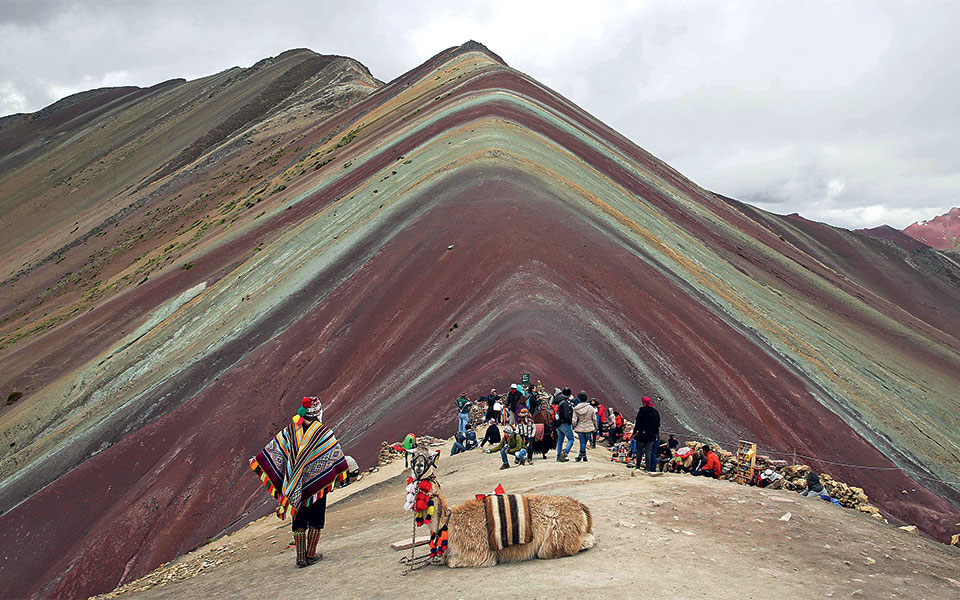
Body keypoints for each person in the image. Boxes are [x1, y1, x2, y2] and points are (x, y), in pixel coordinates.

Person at [250, 396, 348, 567]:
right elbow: (335, 455)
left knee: (299, 518)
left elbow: (275, 449)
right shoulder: (324, 433)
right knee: (317, 517)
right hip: (317, 485)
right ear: (318, 412)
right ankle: (311, 554)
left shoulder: (290, 431)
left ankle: (300, 558)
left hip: (295, 485)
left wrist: (259, 460)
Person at [634, 396, 661, 472]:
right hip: (651, 435)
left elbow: (638, 423)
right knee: (648, 452)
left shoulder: (642, 411)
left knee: (639, 451)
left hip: (641, 435)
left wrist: (634, 432)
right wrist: (656, 434)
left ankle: (638, 467)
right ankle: (648, 468)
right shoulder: (655, 412)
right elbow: (657, 424)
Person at [571, 392, 597, 462]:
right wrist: (595, 426)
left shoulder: (576, 409)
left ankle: (581, 455)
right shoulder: (591, 408)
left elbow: (574, 420)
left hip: (580, 427)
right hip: (589, 427)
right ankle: (583, 456)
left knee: (582, 442)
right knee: (585, 442)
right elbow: (594, 419)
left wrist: (574, 426)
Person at [554, 393, 575, 462]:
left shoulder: (556, 402)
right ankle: (565, 453)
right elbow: (566, 416)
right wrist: (569, 421)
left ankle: (558, 456)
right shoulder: (565, 404)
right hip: (565, 424)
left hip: (558, 424)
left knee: (560, 440)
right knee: (571, 439)